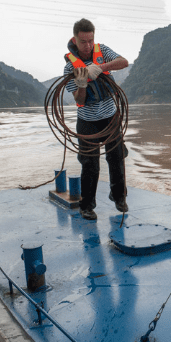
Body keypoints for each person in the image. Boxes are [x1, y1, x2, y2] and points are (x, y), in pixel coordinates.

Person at [64, 18, 129, 220]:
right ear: (75, 40)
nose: (88, 45)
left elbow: (124, 62)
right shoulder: (69, 68)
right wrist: (82, 83)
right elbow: (79, 100)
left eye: (91, 40)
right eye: (83, 41)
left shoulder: (102, 51)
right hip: (87, 120)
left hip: (110, 116)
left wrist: (100, 67)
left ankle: (119, 197)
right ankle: (87, 205)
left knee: (117, 157)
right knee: (90, 163)